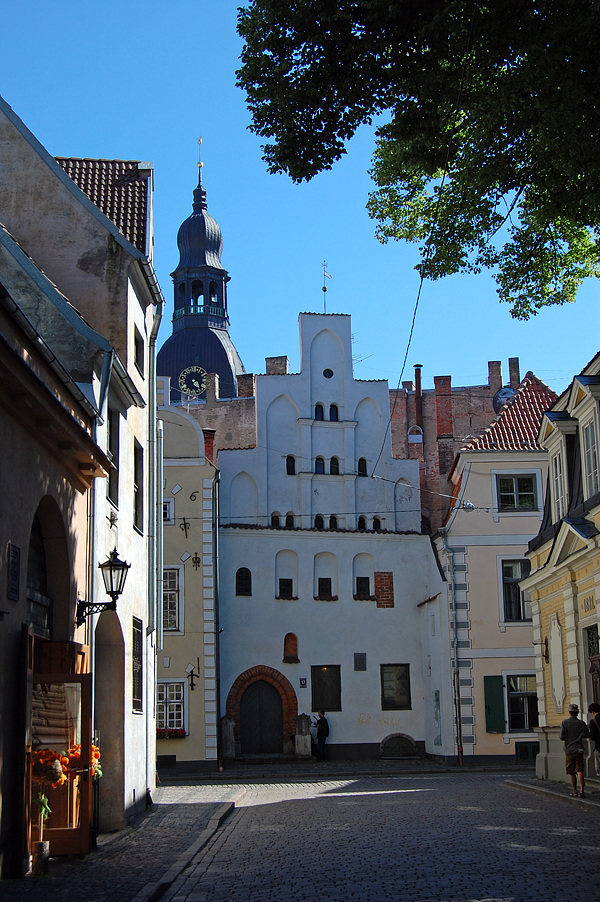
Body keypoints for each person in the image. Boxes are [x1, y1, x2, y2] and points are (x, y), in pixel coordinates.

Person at [559, 703, 589, 797]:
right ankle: (582, 791)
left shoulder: (565, 723)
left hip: (569, 749)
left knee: (571, 772)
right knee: (580, 770)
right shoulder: (582, 723)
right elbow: (587, 734)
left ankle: (575, 791)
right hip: (579, 748)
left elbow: (561, 736)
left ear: (569, 712)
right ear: (577, 712)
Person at [588, 702, 600, 778]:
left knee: (599, 767)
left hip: (599, 747)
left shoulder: (593, 722)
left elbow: (593, 736)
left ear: (593, 712)